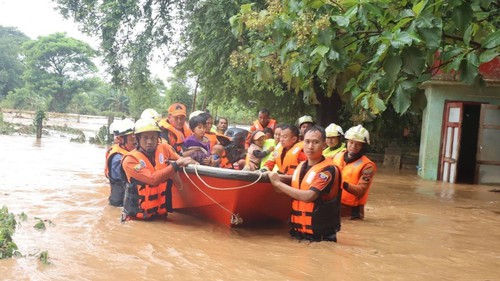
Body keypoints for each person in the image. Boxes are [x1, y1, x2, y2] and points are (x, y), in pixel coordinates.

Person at [268, 126, 342, 242]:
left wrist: (277, 183)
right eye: (307, 142)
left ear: (324, 145)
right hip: (297, 234)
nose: (310, 146)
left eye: (315, 142)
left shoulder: (328, 170)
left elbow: (308, 196)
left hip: (319, 238)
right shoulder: (301, 166)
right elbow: (286, 188)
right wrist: (273, 179)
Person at [121, 118, 197, 221]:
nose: (150, 142)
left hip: (160, 216)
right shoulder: (130, 160)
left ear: (158, 138)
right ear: (138, 139)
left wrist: (195, 164)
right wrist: (176, 165)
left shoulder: (164, 148)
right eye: (145, 138)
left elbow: (181, 159)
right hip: (137, 220)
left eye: (153, 137)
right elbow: (153, 179)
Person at [332, 124, 377, 220]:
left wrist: (341, 183)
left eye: (358, 144)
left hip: (352, 212)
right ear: (347, 142)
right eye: (351, 142)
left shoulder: (368, 166)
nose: (353, 146)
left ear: (363, 147)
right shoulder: (337, 156)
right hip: (334, 206)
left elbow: (360, 191)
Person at [104, 119, 136, 207]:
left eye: (136, 137)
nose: (135, 142)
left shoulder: (128, 152)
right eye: (131, 138)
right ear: (121, 139)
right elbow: (124, 179)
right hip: (119, 203)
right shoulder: (117, 158)